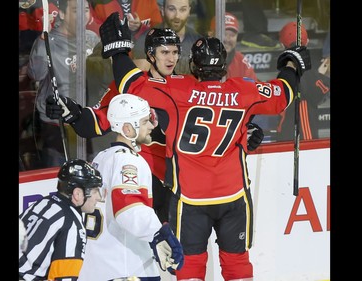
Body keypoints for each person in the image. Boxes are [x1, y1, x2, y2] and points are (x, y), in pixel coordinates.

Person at [96, 12, 311, 280]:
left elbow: (131, 84)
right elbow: (284, 93)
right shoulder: (243, 90)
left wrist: (118, 52)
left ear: (194, 66)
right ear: (224, 65)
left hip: (190, 199)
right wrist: (292, 63)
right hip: (233, 196)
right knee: (238, 265)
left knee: (191, 267)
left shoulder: (179, 88)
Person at [45, 27, 264, 223]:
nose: (171, 58)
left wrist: (248, 134)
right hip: (139, 178)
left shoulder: (190, 88)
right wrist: (72, 112)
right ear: (151, 55)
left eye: (174, 52)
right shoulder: (130, 88)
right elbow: (95, 124)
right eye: (164, 52)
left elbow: (217, 130)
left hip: (182, 184)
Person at [78, 94, 184, 280]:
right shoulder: (128, 160)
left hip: (100, 266)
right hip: (126, 269)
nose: (151, 126)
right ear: (128, 129)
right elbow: (128, 208)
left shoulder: (101, 157)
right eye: (145, 122)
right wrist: (158, 234)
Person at [27, 0, 101, 168]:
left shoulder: (92, 38)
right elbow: (35, 75)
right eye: (76, 11)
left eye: (86, 10)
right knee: (59, 182)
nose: (83, 17)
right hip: (57, 129)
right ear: (62, 14)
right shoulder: (48, 42)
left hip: (87, 124)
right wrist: (41, 43)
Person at [19, 159, 103, 281]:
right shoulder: (72, 226)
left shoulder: (41, 203)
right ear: (77, 194)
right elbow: (64, 278)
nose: (99, 198)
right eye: (95, 191)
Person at [276, 21, 330, 141]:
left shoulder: (283, 71)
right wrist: (321, 76)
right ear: (308, 42)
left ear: (281, 45)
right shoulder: (305, 71)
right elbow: (319, 95)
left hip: (283, 133)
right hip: (303, 137)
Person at [132, 0, 202, 74]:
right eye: (171, 9)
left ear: (189, 11)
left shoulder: (198, 43)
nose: (177, 16)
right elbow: (141, 81)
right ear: (162, 10)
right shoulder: (146, 40)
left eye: (183, 9)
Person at [209, 12, 257, 80]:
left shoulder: (241, 61)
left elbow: (252, 87)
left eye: (232, 35)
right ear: (211, 34)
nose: (227, 39)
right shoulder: (201, 60)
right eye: (224, 34)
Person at [88, 0, 163, 40]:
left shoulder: (149, 2)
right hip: (111, 58)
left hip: (142, 58)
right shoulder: (97, 2)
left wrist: (140, 28)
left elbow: (159, 31)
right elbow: (92, 31)